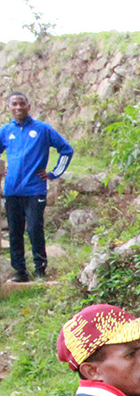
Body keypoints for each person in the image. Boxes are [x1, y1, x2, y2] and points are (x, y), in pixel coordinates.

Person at [1, 91, 72, 282]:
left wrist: (53, 173)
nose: (18, 107)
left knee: (34, 229)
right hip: (12, 190)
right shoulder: (6, 131)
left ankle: (40, 270)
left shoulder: (42, 129)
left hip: (35, 190)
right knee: (15, 231)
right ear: (9, 107)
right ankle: (20, 272)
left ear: (28, 106)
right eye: (14, 104)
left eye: (21, 104)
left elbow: (66, 149)